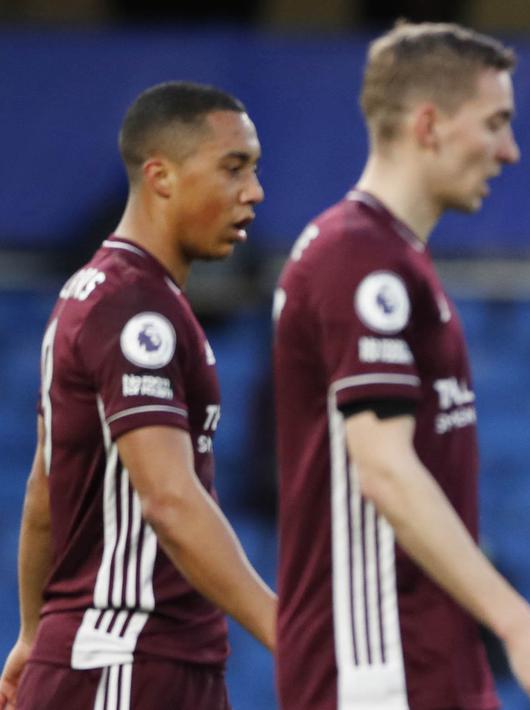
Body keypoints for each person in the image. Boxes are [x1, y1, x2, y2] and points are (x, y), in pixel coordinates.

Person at [272, 22, 530, 710]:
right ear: (429, 124)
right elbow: (382, 466)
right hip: (374, 665)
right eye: (495, 123)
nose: (509, 151)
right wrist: (519, 625)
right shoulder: (358, 258)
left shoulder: (391, 257)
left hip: (422, 657)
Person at [0, 81, 275, 710]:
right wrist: (290, 632)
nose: (253, 193)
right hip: (126, 662)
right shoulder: (134, 311)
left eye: (255, 170)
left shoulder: (102, 292)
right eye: (234, 168)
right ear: (162, 176)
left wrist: (33, 634)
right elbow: (171, 500)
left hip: (141, 661)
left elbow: (47, 489)